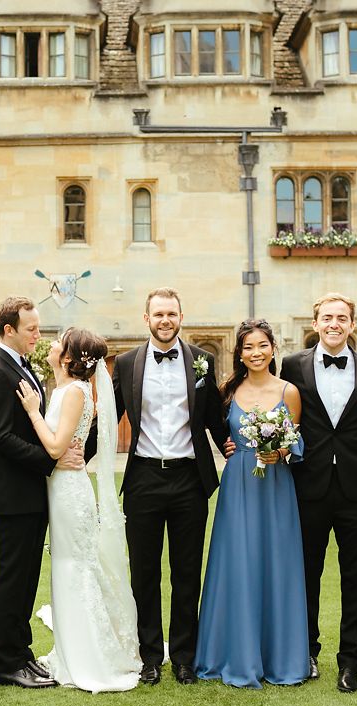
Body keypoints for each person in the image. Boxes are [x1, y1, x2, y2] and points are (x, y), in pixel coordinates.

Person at [111, 287, 230, 685]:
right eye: (158, 314)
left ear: (181, 317)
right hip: (143, 476)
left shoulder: (202, 361)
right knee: (143, 573)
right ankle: (149, 656)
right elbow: (107, 417)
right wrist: (72, 446)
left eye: (172, 314)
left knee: (186, 571)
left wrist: (238, 445)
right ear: (146, 319)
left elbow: (214, 414)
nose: (166, 320)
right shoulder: (126, 364)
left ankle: (183, 656)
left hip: (188, 479)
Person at [16, 329, 140, 693]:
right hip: (64, 488)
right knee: (71, 567)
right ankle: (70, 648)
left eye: (59, 341)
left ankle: (84, 657)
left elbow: (56, 447)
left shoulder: (72, 393)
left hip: (69, 492)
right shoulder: (70, 389)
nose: (52, 344)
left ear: (70, 357)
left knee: (74, 569)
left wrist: (32, 412)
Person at [0, 296, 85, 689]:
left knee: (25, 582)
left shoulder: (20, 367)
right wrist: (51, 460)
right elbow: (0, 438)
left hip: (32, 494)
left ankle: (22, 654)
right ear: (9, 330)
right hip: (13, 495)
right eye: (32, 329)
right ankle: (7, 664)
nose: (38, 334)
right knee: (11, 579)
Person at [279, 292, 357, 693]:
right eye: (327, 317)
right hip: (308, 484)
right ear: (315, 322)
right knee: (305, 573)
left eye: (342, 318)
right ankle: (306, 652)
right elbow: (279, 410)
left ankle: (350, 661)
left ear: (352, 325)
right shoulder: (292, 365)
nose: (334, 324)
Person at [195, 319, 308, 688]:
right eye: (248, 347)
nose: (256, 353)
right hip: (239, 483)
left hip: (275, 485)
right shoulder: (229, 390)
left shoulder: (288, 391)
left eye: (262, 345)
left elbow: (297, 441)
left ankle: (280, 657)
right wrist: (227, 446)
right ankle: (232, 653)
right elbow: (215, 429)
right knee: (237, 562)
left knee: (276, 564)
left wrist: (281, 450)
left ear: (273, 348)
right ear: (239, 353)